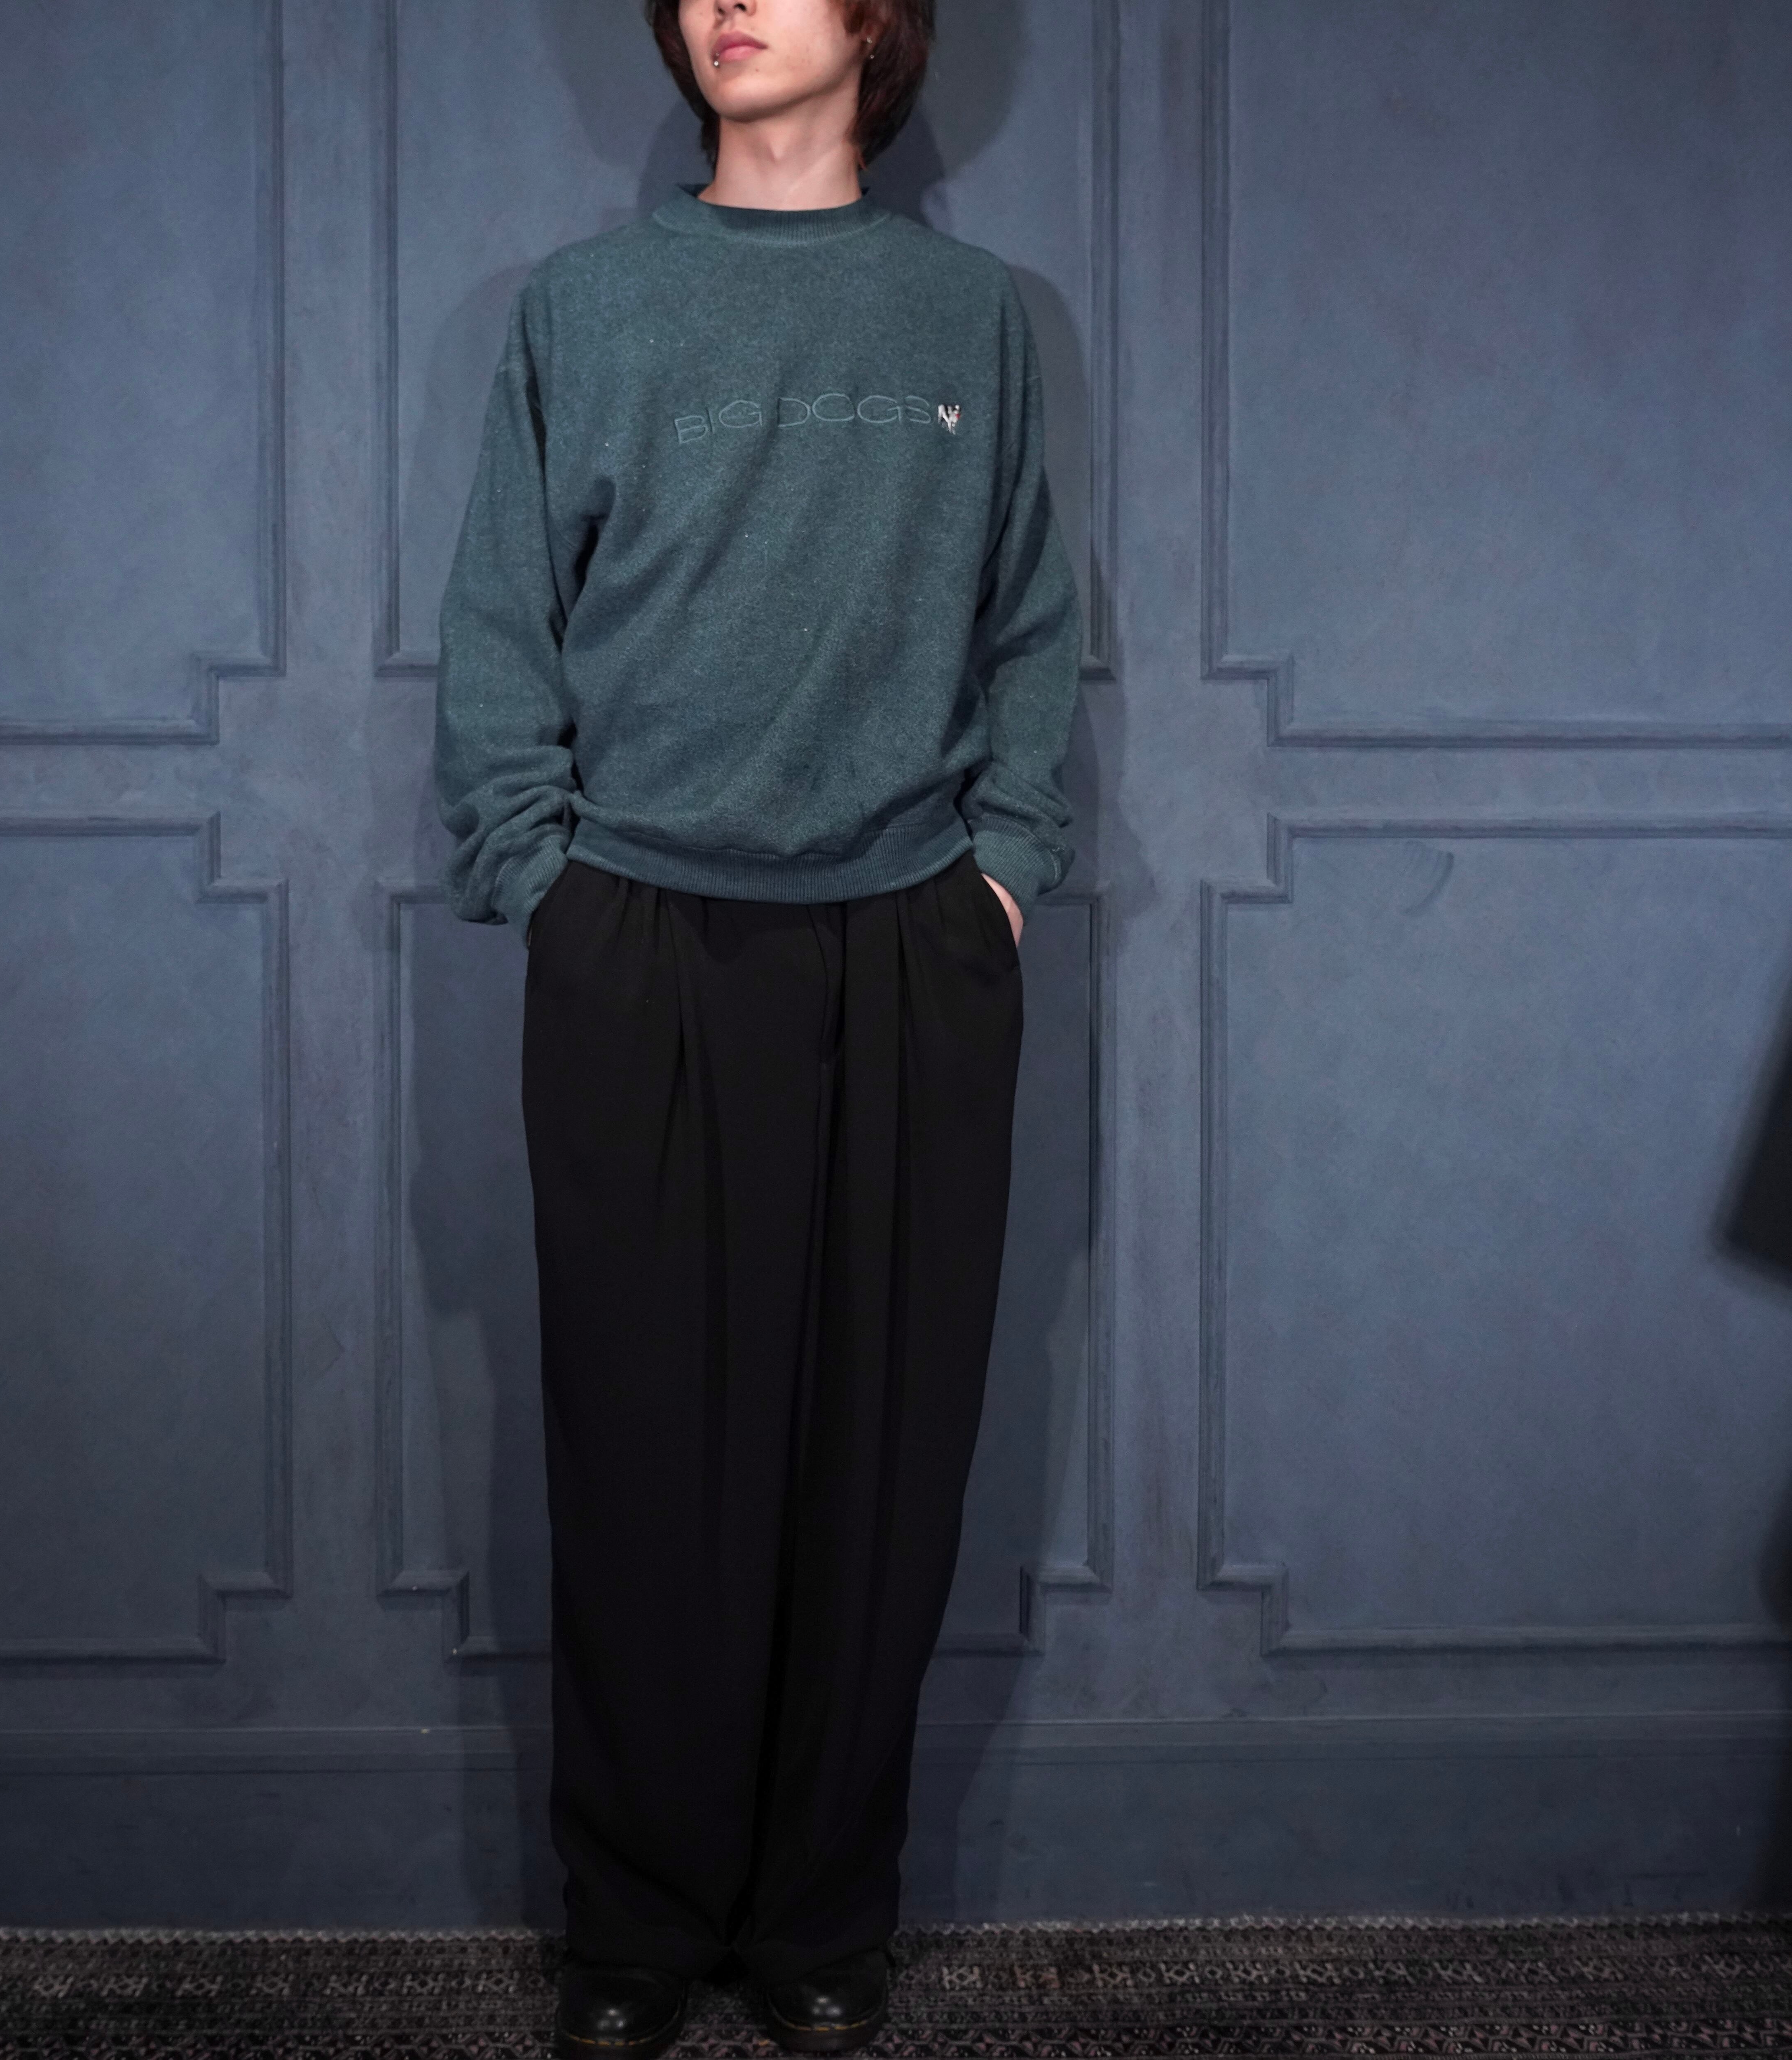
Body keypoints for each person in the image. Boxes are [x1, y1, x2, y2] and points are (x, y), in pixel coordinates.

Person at [433, 0, 1081, 2051]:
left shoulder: (972, 319)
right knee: (644, 1465)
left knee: (876, 1467)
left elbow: (1031, 623)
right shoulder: (586, 306)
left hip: (906, 942)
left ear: (874, 25)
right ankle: (631, 1932)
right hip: (635, 931)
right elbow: (500, 620)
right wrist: (542, 878)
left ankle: (817, 1918)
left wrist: (1000, 869)